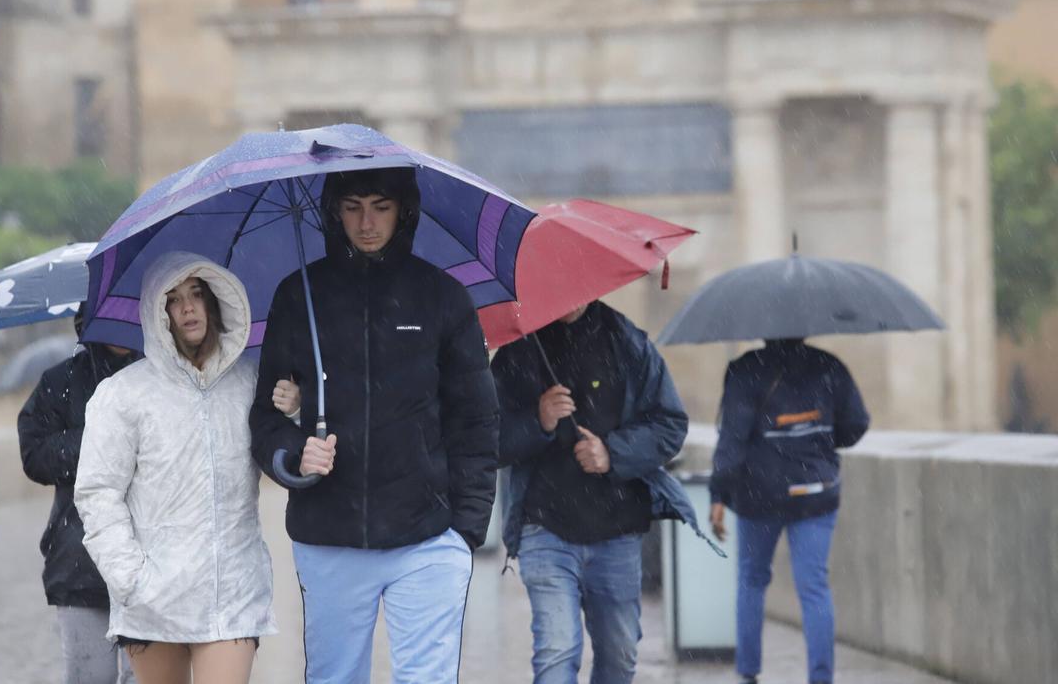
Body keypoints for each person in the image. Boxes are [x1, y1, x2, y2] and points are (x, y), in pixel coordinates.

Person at [249, 167, 499, 684]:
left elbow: (476, 419)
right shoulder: (299, 294)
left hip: (428, 538)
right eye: (353, 207)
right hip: (328, 535)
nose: (366, 223)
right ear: (332, 211)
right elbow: (265, 417)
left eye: (381, 207)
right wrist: (296, 456)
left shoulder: (443, 295)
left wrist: (465, 531)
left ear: (403, 211)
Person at [75, 251, 289, 684]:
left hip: (232, 595)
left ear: (214, 302)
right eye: (173, 299)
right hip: (153, 598)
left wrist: (294, 410)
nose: (188, 307)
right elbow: (98, 493)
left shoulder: (252, 383)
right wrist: (131, 579)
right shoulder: (122, 395)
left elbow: (282, 456)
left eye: (196, 293)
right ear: (160, 314)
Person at [494, 300, 692, 684]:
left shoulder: (628, 342)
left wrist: (611, 453)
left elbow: (670, 424)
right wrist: (539, 419)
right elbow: (487, 437)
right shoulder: (521, 348)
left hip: (617, 529)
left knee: (619, 657)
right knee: (556, 650)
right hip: (544, 526)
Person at [708, 338, 870, 684]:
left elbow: (732, 440)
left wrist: (718, 493)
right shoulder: (830, 365)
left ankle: (748, 673)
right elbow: (857, 423)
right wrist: (819, 445)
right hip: (816, 491)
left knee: (752, 580)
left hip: (759, 495)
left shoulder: (745, 369)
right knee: (814, 587)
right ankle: (821, 678)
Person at [18, 305, 138, 684]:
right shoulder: (59, 382)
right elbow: (35, 456)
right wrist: (97, 443)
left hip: (152, 562)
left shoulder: (161, 378)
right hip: (79, 562)